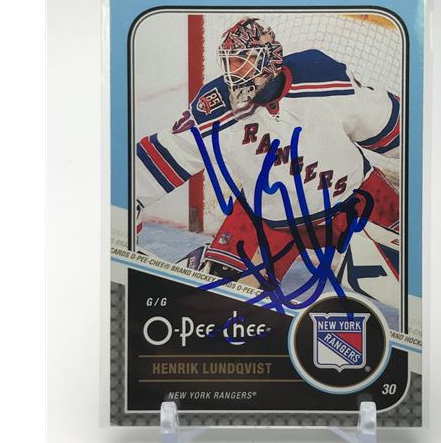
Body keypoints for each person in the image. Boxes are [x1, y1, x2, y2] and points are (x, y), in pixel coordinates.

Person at [136, 17, 400, 288]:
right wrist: (126, 198)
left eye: (242, 61)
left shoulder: (321, 76)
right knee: (221, 294)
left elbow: (394, 127)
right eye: (229, 63)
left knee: (411, 273)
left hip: (354, 201)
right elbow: (164, 156)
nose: (233, 72)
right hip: (268, 219)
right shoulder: (215, 107)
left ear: (270, 59)